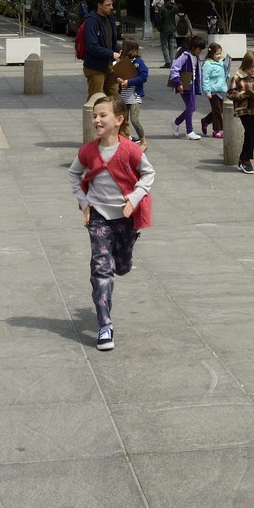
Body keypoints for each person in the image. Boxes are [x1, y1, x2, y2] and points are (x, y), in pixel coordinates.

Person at [69, 94, 154, 351]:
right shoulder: (88, 150)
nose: (96, 119)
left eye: (102, 115)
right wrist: (84, 203)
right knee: (100, 268)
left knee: (122, 265)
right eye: (94, 115)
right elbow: (73, 174)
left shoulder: (129, 149)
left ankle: (126, 254)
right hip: (98, 218)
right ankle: (105, 324)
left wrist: (134, 198)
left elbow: (149, 173)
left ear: (118, 120)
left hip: (125, 219)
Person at [229, 51, 254, 173]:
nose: (253, 69)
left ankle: (243, 159)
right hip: (243, 108)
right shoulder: (237, 77)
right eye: (251, 67)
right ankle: (245, 160)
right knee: (251, 133)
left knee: (252, 134)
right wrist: (241, 94)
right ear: (245, 65)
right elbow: (230, 93)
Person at [81, 0, 121, 98]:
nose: (111, 7)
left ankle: (114, 114)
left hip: (110, 66)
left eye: (112, 5)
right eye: (108, 5)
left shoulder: (110, 18)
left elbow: (111, 42)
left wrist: (120, 49)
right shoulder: (91, 21)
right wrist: (112, 54)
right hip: (95, 68)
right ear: (99, 5)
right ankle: (94, 114)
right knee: (95, 98)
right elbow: (92, 47)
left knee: (115, 97)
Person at [169, 35, 205, 139]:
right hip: (184, 85)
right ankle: (189, 131)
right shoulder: (184, 55)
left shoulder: (195, 56)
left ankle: (176, 122)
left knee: (192, 107)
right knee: (190, 107)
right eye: (199, 49)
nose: (200, 51)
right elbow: (174, 68)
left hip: (192, 84)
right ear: (193, 46)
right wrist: (178, 83)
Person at [116, 37, 149, 146]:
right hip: (123, 96)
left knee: (134, 120)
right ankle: (124, 140)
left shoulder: (138, 62)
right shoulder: (122, 61)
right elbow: (116, 75)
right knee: (123, 121)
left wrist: (129, 82)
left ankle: (143, 140)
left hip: (135, 96)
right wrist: (118, 80)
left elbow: (144, 76)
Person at [200, 42, 229, 138]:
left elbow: (224, 74)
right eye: (217, 54)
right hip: (213, 90)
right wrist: (207, 91)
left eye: (220, 53)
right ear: (211, 54)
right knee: (217, 111)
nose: (219, 55)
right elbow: (205, 78)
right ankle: (216, 130)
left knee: (219, 110)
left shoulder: (221, 62)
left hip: (221, 89)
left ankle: (205, 121)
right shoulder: (208, 64)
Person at [156, 0, 178, 68]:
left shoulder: (162, 8)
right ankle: (171, 61)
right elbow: (178, 16)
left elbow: (159, 20)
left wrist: (159, 27)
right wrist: (174, 3)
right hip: (172, 29)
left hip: (164, 29)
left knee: (164, 46)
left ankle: (168, 62)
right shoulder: (174, 8)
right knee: (171, 46)